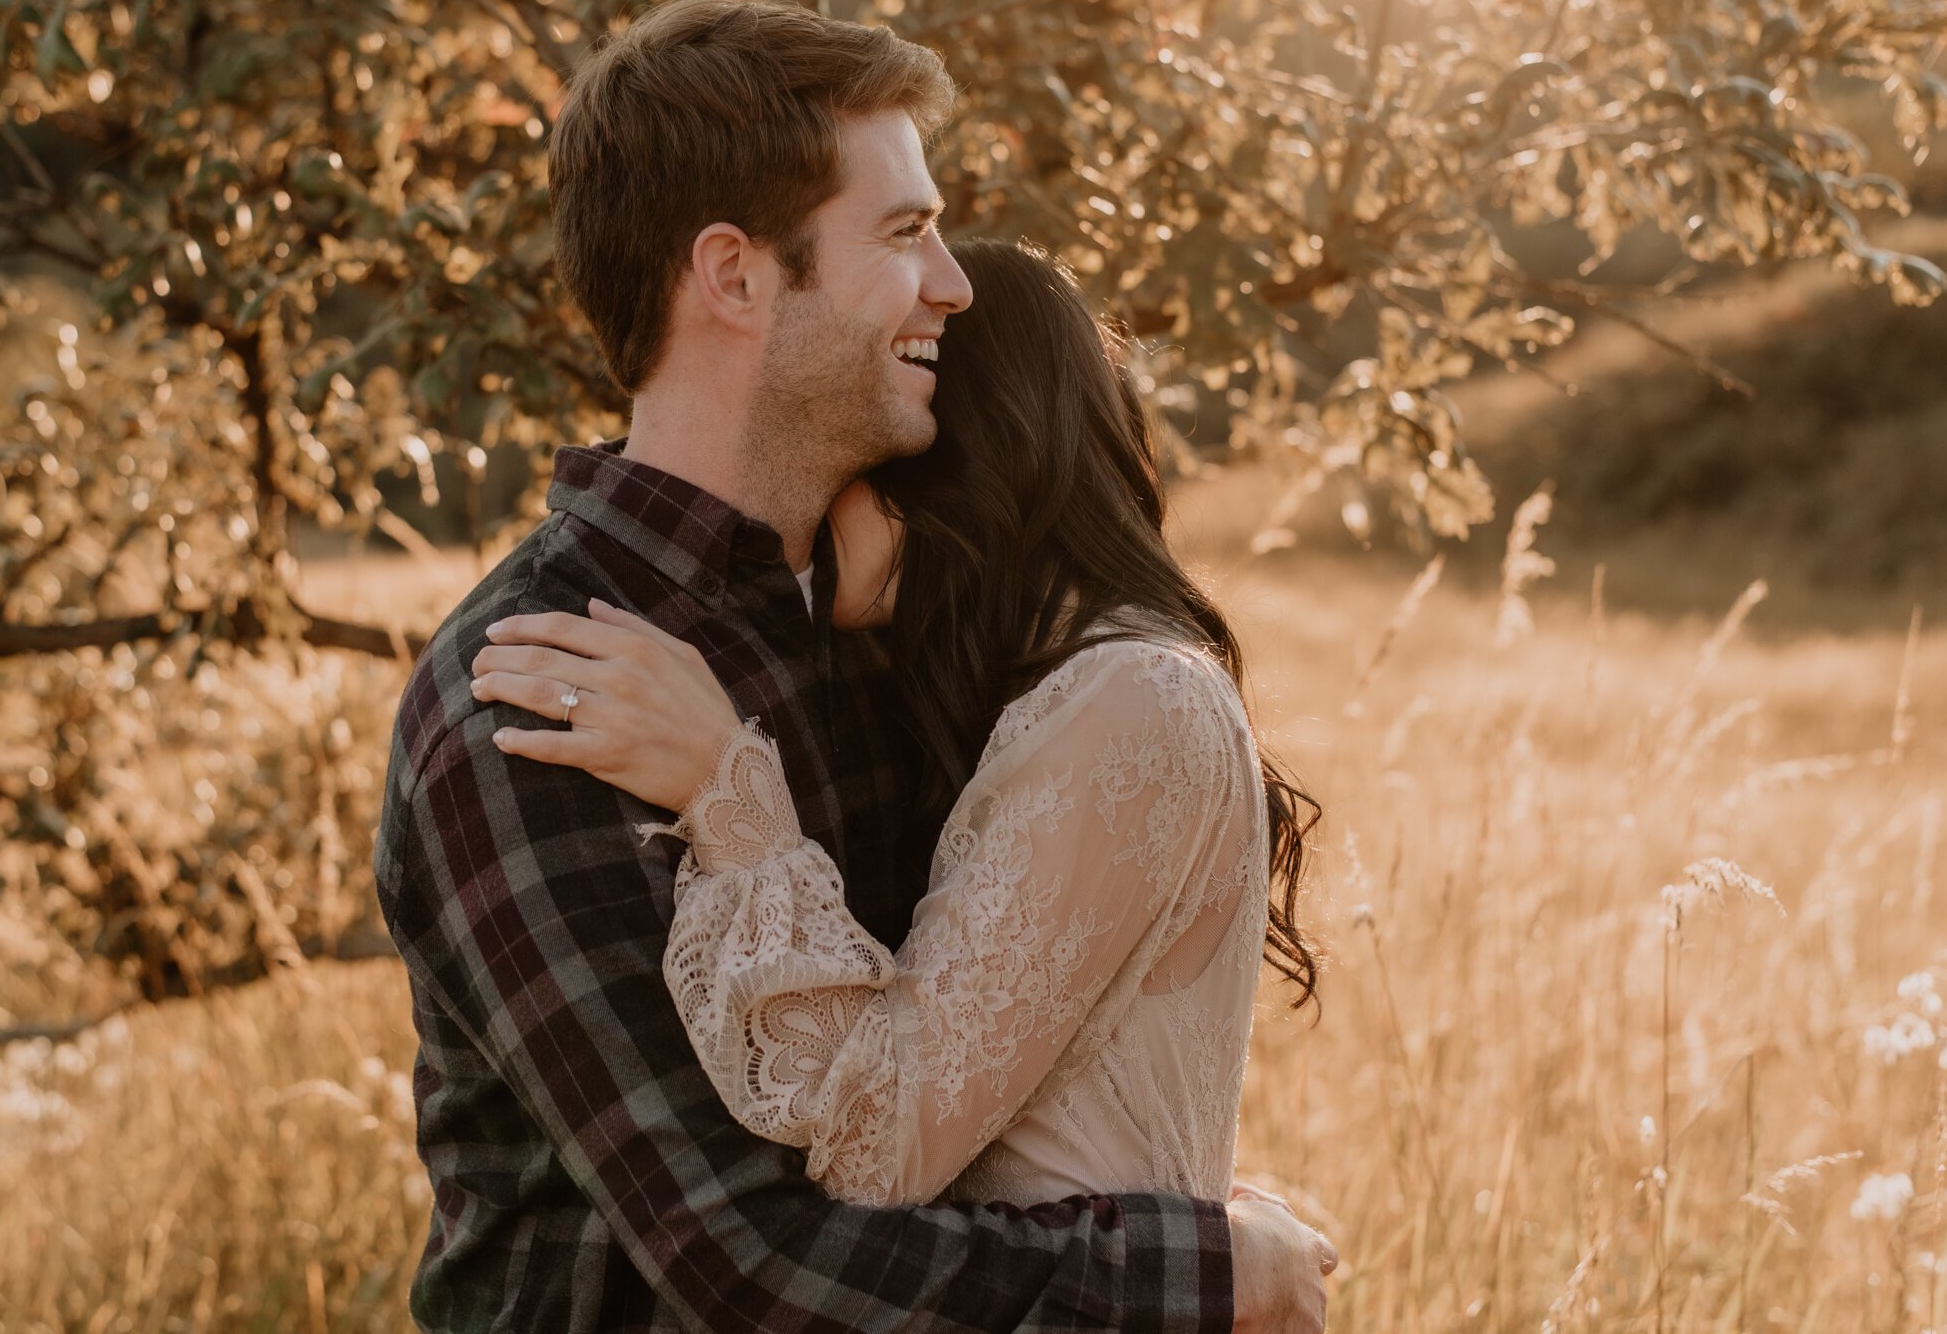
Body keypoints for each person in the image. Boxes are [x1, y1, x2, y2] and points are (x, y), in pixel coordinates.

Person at [375, 0, 1334, 1332]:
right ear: (736, 277)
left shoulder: (888, 640)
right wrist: (1194, 1272)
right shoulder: (544, 691)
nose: (952, 281)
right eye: (904, 233)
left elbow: (980, 1085)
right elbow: (755, 1270)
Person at [474, 235, 1320, 1211]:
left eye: (850, 443)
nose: (808, 485)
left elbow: (879, 1148)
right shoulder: (1069, 686)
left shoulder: (1135, 700)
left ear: (947, 458)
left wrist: (728, 792)